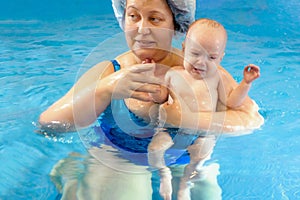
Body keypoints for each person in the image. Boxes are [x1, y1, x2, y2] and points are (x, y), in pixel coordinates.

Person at [38, 0, 263, 199]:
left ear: (176, 23)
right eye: (133, 16)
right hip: (120, 154)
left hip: (182, 158)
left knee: (206, 195)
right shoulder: (111, 71)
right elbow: (48, 123)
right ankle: (74, 176)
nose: (142, 29)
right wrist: (106, 89)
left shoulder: (200, 68)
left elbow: (251, 119)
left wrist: (184, 118)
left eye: (155, 19)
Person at [147, 18, 261, 200]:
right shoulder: (174, 73)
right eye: (195, 53)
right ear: (184, 50)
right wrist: (152, 85)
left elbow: (233, 102)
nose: (201, 62)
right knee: (154, 149)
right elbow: (161, 96)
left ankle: (186, 181)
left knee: (201, 155)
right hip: (170, 129)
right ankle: (163, 174)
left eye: (212, 57)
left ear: (220, 59)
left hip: (204, 132)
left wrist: (245, 84)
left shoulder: (217, 79)